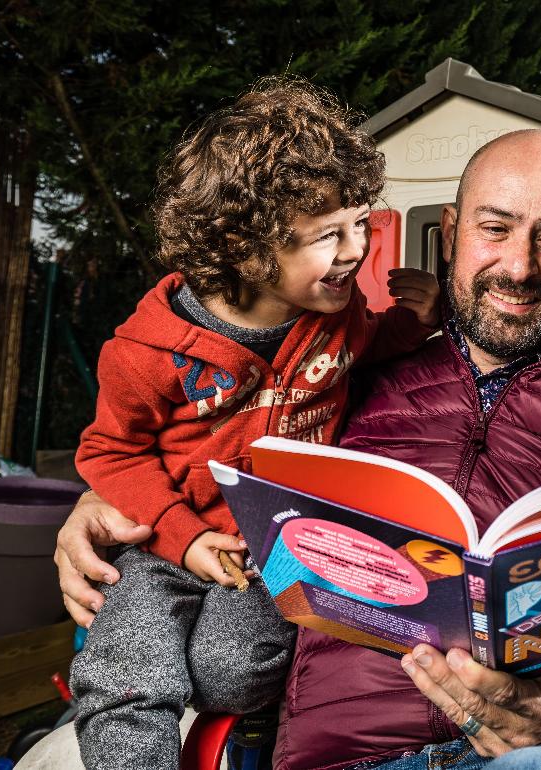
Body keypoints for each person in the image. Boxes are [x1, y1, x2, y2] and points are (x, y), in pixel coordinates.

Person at [48, 130, 541, 770]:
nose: (518, 267)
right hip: (346, 755)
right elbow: (194, 446)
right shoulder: (334, 383)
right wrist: (99, 498)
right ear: (452, 236)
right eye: (496, 228)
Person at [68, 79, 440, 770]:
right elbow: (110, 455)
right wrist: (184, 539)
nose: (357, 250)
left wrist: (414, 324)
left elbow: (368, 344)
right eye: (331, 235)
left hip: (268, 553)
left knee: (239, 670)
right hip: (161, 547)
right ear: (243, 243)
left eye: (363, 224)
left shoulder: (337, 313)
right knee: (131, 675)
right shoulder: (145, 353)